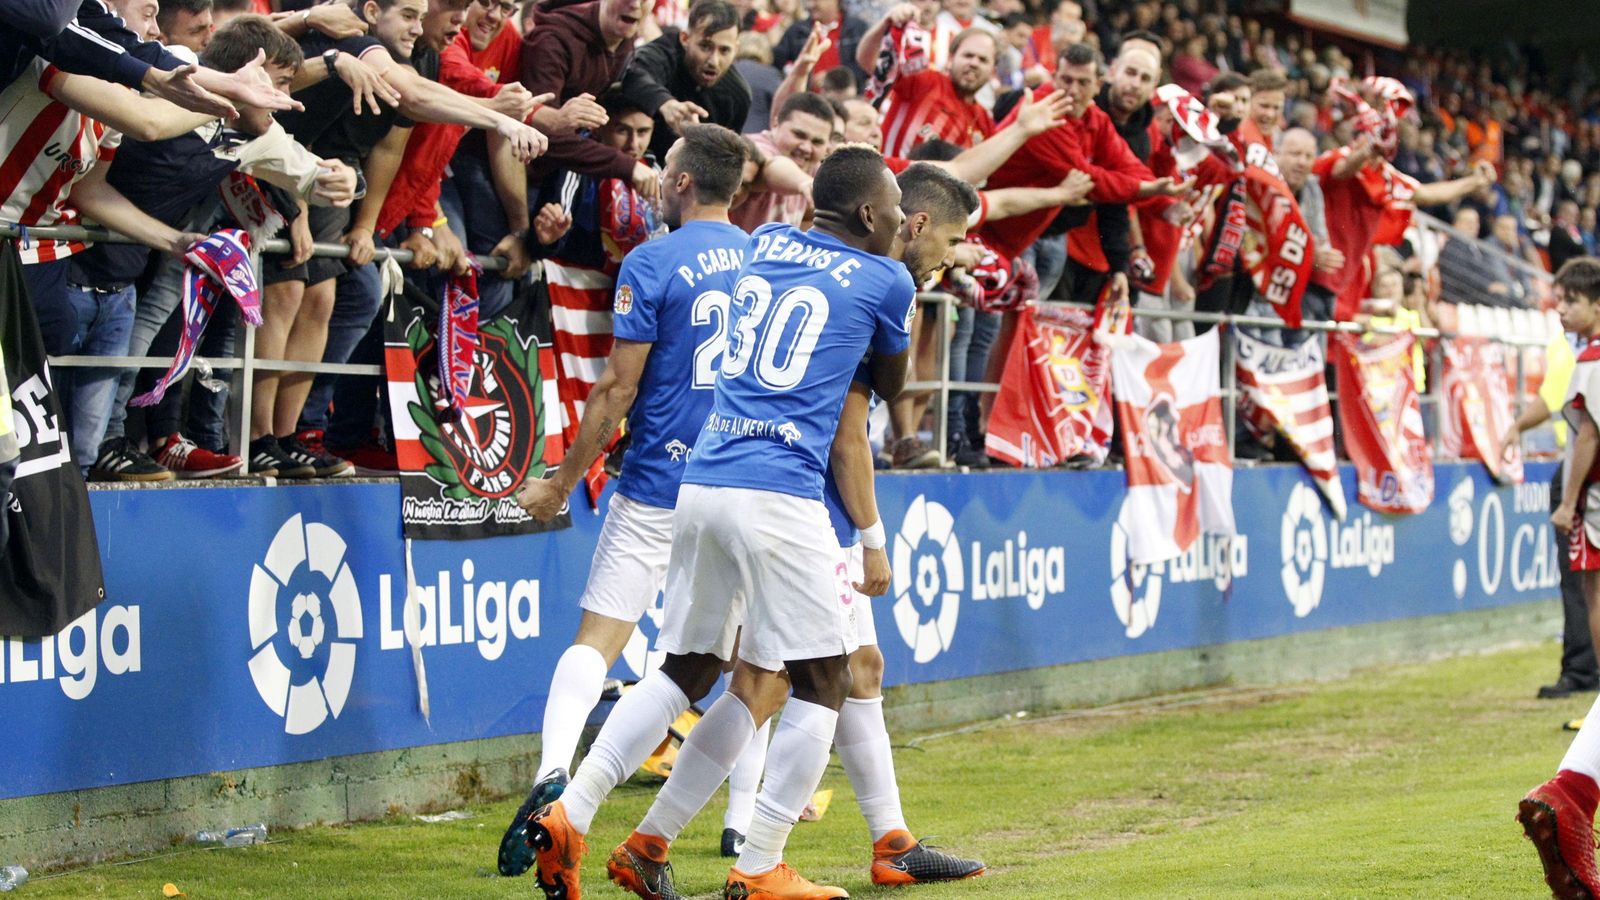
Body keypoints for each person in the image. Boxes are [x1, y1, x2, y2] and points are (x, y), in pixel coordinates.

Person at [520, 152, 974, 900]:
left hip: (702, 481)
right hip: (782, 496)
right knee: (825, 679)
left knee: (689, 670)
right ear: (876, 216)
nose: (902, 223)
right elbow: (889, 390)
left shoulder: (767, 242)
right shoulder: (886, 280)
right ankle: (761, 863)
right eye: (896, 212)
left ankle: (575, 812)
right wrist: (872, 539)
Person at [496, 123, 750, 879]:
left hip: (656, 485)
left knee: (598, 642)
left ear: (683, 182)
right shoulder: (766, 260)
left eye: (664, 169)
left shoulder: (653, 259)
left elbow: (617, 388)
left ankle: (555, 772)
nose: (657, 180)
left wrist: (560, 483)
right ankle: (737, 828)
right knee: (731, 668)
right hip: (736, 488)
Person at [1518, 258, 1600, 899]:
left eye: (1571, 300)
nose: (1562, 310)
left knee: (1594, 592)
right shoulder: (1586, 357)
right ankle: (1571, 794)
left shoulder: (1591, 359)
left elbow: (1586, 435)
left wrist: (1570, 501)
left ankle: (1570, 794)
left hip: (1595, 503)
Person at [1500, 321, 1597, 700]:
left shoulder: (1581, 351)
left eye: (1569, 300)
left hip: (1584, 471)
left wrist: (1518, 426)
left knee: (1583, 580)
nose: (1561, 309)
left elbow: (1562, 407)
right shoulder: (1572, 344)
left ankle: (1581, 668)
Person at [521, 0, 659, 198]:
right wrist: (627, 166)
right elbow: (539, 133)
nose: (635, 4)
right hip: (517, 167)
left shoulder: (624, 37)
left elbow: (637, 75)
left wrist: (666, 103)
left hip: (563, 168)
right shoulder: (552, 41)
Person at [854, 3, 996, 158]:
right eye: (968, 55)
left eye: (983, 60)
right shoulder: (925, 82)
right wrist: (885, 24)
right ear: (950, 59)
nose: (974, 63)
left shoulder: (984, 123)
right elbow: (868, 61)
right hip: (890, 172)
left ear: (992, 71)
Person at [618, 0, 749, 162]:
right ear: (685, 38)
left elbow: (724, 158)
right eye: (705, 46)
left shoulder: (738, 96)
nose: (713, 61)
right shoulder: (663, 54)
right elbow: (632, 75)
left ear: (736, 49)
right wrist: (666, 104)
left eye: (724, 50)